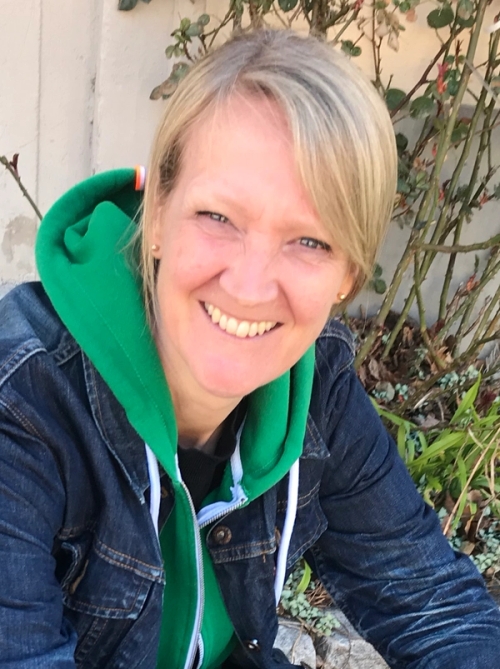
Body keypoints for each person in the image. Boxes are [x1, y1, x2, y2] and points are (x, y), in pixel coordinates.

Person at [0, 29, 498, 669]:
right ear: (157, 216)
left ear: (348, 275)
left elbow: (436, 606)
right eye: (218, 218)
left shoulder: (314, 389)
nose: (250, 285)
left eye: (310, 241)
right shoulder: (23, 402)